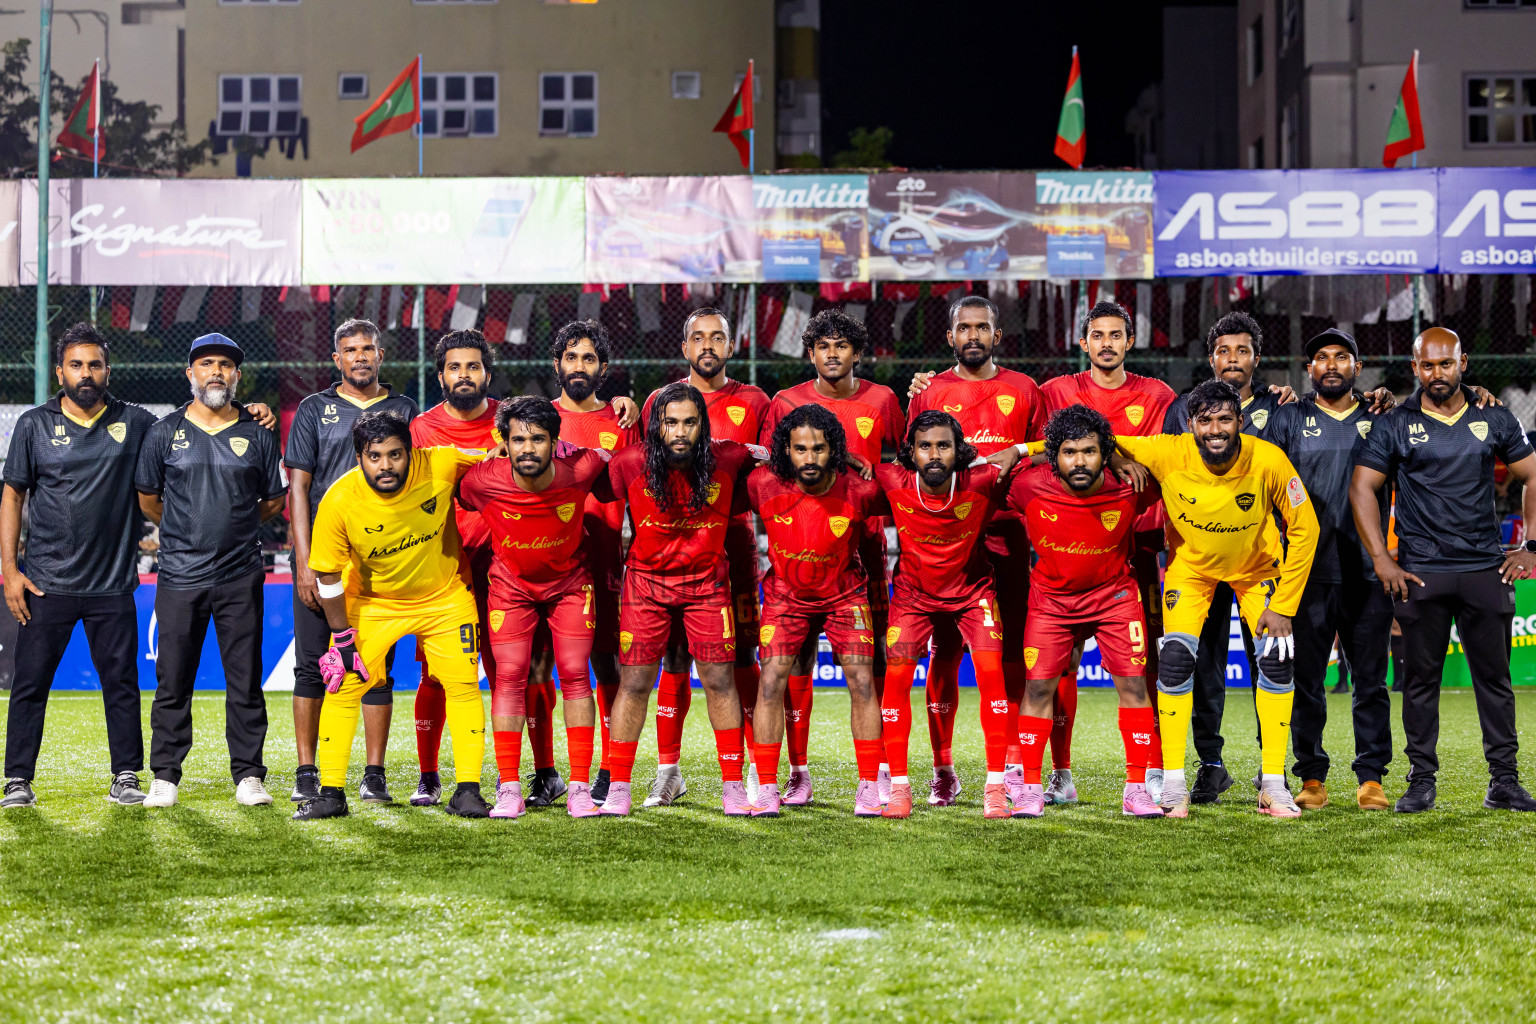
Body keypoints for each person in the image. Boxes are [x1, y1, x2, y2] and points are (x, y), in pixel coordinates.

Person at [1350, 326, 1536, 814]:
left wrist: (1530, 546)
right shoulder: (1394, 422)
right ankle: (1421, 782)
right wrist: (1382, 559)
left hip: (1485, 569)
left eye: (1446, 363)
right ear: (1415, 367)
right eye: (1427, 365)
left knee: (1495, 682)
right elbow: (1361, 487)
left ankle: (1504, 781)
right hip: (1421, 572)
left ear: (1462, 363)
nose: (1437, 373)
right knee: (1419, 684)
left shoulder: (1493, 415)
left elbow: (1532, 474)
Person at [1117, 377, 1319, 818]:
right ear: (1190, 424)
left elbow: (1307, 529)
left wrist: (1284, 606)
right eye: (1205, 421)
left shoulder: (1268, 459)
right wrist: (1023, 450)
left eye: (1224, 419)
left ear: (1240, 421)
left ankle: (1273, 784)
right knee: (1174, 661)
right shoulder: (1169, 451)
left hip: (1257, 569)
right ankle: (1174, 785)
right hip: (1191, 572)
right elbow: (1097, 438)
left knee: (1277, 659)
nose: (1215, 430)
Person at [295, 412, 492, 821]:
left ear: (411, 452)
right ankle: (331, 794)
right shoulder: (339, 500)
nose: (385, 465)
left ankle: (468, 791)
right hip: (372, 603)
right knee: (343, 687)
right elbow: (328, 576)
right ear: (359, 458)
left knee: (462, 687)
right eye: (375, 456)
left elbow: (496, 455)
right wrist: (342, 639)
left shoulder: (441, 462)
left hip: (444, 598)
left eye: (395, 455)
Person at [1, 324, 158, 809]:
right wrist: (10, 571)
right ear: (59, 372)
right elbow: (12, 496)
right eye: (76, 365)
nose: (85, 373)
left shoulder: (136, 422)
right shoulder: (34, 424)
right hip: (45, 583)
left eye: (94, 364)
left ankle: (125, 776)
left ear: (108, 370)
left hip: (111, 583)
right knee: (29, 685)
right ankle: (17, 779)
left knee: (122, 685)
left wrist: (245, 412)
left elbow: (191, 428)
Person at [134, 333, 288, 809]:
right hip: (179, 576)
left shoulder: (258, 434)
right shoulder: (163, 432)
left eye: (225, 364)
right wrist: (186, 530)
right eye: (206, 364)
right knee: (172, 681)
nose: (216, 371)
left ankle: (249, 775)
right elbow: (148, 499)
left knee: (245, 681)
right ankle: (165, 775)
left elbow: (274, 500)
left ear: (236, 375)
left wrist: (234, 524)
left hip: (240, 575)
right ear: (190, 374)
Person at [595, 382, 763, 817]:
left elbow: (783, 457)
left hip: (707, 585)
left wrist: (846, 457)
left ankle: (732, 787)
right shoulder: (629, 463)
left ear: (703, 425)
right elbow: (585, 476)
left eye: (690, 422)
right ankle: (619, 787)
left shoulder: (730, 457)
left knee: (720, 681)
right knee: (634, 684)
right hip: (646, 586)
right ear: (657, 426)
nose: (680, 432)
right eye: (671, 422)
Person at [904, 295, 1046, 809]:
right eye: (963, 328)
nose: (973, 335)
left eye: (982, 327)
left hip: (1008, 535)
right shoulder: (929, 391)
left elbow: (1046, 453)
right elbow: (913, 462)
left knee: (1009, 652)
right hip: (946, 540)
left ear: (997, 335)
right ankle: (943, 770)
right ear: (950, 337)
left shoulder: (1024, 390)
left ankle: (1011, 766)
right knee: (943, 653)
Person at [758, 308, 904, 806]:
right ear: (811, 352)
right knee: (791, 663)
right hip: (798, 549)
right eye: (824, 345)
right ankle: (795, 773)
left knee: (870, 663)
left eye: (842, 345)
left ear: (857, 353)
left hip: (862, 551)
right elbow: (769, 463)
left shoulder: (883, 400)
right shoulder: (785, 401)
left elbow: (907, 458)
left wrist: (870, 471)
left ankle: (877, 770)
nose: (833, 354)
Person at [1037, 300, 1176, 805]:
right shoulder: (1054, 392)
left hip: (1138, 544)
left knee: (1144, 663)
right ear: (1084, 342)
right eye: (1098, 335)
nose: (1107, 344)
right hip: (1071, 545)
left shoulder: (1158, 395)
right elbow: (1037, 449)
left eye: (1116, 335)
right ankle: (1061, 773)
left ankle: (1152, 768)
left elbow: (1175, 456)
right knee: (1060, 664)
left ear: (1130, 341)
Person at [638, 307, 769, 808]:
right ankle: (668, 773)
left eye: (717, 337)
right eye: (698, 337)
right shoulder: (660, 402)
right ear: (685, 348)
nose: (708, 345)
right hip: (674, 547)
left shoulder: (756, 401)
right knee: (674, 658)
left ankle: (755, 770)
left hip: (734, 543)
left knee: (742, 658)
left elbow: (772, 464)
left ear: (731, 347)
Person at [456, 396, 610, 819]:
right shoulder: (481, 480)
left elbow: (611, 456)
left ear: (555, 442)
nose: (528, 448)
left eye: (538, 439)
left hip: (570, 587)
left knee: (576, 674)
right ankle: (509, 789)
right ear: (504, 443)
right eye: (518, 440)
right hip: (511, 588)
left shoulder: (581, 469)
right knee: (508, 678)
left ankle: (579, 788)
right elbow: (460, 495)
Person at [1007, 405, 1164, 819]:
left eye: (1090, 451)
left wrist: (1122, 459)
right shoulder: (1027, 486)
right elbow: (981, 475)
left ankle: (1136, 790)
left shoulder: (1131, 485)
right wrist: (1023, 451)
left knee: (1134, 686)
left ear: (1104, 454)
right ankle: (1030, 789)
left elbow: (1177, 470)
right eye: (1069, 452)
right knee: (1037, 690)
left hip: (1114, 597)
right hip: (1051, 602)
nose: (1079, 461)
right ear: (1054, 457)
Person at [1159, 312, 1290, 805]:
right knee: (1203, 662)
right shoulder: (1184, 409)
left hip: (1259, 559)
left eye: (1242, 350)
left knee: (1271, 659)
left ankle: (1271, 769)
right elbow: (1170, 466)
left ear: (1257, 357)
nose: (1232, 359)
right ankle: (1210, 765)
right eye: (1223, 351)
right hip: (1198, 558)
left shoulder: (1281, 407)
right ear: (1211, 357)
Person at [285, 318, 416, 806]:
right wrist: (304, 561)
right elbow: (298, 488)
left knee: (377, 668)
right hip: (324, 561)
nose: (360, 356)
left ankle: (374, 774)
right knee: (310, 667)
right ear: (336, 359)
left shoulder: (405, 409)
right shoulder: (312, 409)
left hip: (382, 563)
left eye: (367, 348)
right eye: (350, 349)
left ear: (381, 355)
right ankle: (306, 771)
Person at [1266, 329, 1395, 811]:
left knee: (1371, 682)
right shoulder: (1288, 418)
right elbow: (1264, 483)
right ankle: (1312, 777)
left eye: (1342, 356)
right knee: (1306, 683)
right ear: (1310, 369)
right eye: (1322, 357)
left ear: (1357, 368)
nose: (1332, 364)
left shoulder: (1381, 417)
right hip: (1306, 573)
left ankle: (1371, 777)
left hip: (1367, 571)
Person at [875, 411, 1020, 820]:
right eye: (925, 446)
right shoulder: (891, 480)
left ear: (959, 451)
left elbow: (1057, 456)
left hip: (972, 594)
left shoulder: (982, 480)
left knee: (991, 673)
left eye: (944, 445)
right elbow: (843, 474)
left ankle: (996, 788)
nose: (935, 454)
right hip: (913, 596)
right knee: (896, 679)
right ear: (911, 452)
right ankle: (901, 788)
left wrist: (1023, 449)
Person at [746, 403, 884, 817]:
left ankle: (868, 786)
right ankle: (769, 787)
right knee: (771, 682)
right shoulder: (762, 484)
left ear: (834, 450)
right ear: (785, 450)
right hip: (786, 596)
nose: (810, 458)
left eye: (819, 449)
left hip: (845, 594)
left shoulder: (861, 489)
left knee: (862, 681)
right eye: (800, 449)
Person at [549, 319, 642, 805]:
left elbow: (642, 489)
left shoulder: (624, 422)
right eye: (571, 357)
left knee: (608, 665)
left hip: (604, 562)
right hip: (548, 565)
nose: (579, 366)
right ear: (557, 365)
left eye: (588, 358)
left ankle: (609, 769)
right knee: (541, 667)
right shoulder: (537, 419)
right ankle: (546, 772)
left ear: (603, 368)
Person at [407, 330, 500, 809]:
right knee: (436, 676)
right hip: (444, 570)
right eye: (454, 367)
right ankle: (429, 777)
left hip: (504, 565)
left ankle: (521, 777)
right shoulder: (420, 429)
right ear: (441, 375)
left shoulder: (509, 421)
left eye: (473, 366)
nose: (464, 375)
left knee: (509, 673)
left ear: (487, 373)